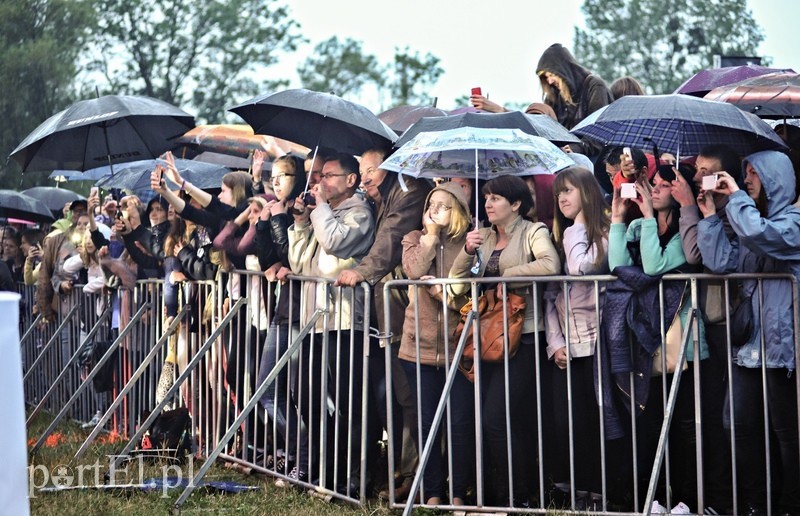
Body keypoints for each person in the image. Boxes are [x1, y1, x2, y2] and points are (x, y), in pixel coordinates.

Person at [697, 151, 800, 515]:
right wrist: (710, 216)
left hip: (784, 348)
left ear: (777, 179)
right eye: (746, 173)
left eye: (756, 173)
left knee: (787, 433)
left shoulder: (794, 221)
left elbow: (760, 235)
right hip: (750, 346)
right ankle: (755, 504)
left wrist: (737, 198)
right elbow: (722, 261)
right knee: (736, 423)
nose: (749, 178)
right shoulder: (747, 218)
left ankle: (789, 505)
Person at [450, 175, 561, 507]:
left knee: (497, 416)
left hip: (523, 336)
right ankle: (502, 492)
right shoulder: (481, 236)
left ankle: (516, 494)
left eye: (496, 198)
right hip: (487, 337)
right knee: (492, 418)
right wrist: (466, 252)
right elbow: (456, 284)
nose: (488, 204)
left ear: (516, 204)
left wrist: (506, 276)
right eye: (486, 198)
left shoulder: (533, 231)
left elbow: (549, 264)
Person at [609, 166, 709, 510]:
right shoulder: (640, 225)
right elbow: (618, 264)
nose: (657, 188)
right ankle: (651, 498)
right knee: (650, 422)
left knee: (683, 424)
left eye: (668, 184)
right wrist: (619, 219)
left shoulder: (684, 230)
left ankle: (686, 500)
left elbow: (654, 266)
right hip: (648, 338)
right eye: (654, 183)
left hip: (683, 341)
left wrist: (650, 217)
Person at [337, 147, 430, 499]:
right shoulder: (385, 195)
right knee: (395, 395)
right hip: (390, 313)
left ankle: (421, 475)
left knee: (409, 395)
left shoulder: (408, 192)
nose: (364, 178)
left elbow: (390, 239)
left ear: (390, 166)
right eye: (362, 169)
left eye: (370, 170)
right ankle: (404, 471)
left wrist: (360, 272)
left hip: (408, 311)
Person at [287, 153, 375, 492]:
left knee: (348, 402)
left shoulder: (359, 212)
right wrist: (300, 222)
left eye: (329, 175)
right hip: (315, 320)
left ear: (351, 180)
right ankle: (329, 465)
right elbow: (299, 262)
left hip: (344, 322)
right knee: (306, 397)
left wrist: (319, 208)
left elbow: (337, 243)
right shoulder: (322, 214)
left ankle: (352, 476)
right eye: (319, 176)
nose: (320, 181)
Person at [669, 144, 742, 513]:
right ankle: (690, 497)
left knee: (715, 417)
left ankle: (718, 500)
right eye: (696, 169)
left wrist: (689, 208)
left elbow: (701, 257)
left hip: (725, 323)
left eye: (706, 171)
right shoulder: (708, 208)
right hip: (702, 322)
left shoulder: (733, 214)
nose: (697, 177)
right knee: (691, 416)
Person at [398, 182, 474, 506]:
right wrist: (429, 235)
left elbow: (472, 298)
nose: (434, 209)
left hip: (458, 346)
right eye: (431, 203)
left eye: (443, 204)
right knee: (427, 421)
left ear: (457, 209)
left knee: (459, 421)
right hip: (418, 346)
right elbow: (413, 269)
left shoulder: (470, 243)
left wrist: (443, 294)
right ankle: (432, 492)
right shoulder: (413, 239)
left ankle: (458, 492)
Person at [544, 167, 609, 506]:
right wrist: (554, 342)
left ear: (588, 192)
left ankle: (599, 492)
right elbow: (551, 293)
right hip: (567, 344)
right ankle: (573, 490)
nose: (563, 198)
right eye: (559, 193)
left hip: (598, 343)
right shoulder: (563, 235)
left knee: (596, 422)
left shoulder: (603, 232)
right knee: (567, 422)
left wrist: (579, 225)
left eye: (569, 190)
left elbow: (581, 267)